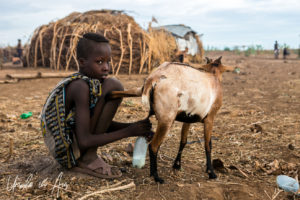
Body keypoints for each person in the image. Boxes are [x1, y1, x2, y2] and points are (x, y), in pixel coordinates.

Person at [41, 33, 153, 178]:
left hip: (75, 139)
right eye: (100, 62)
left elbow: (95, 122)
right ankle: (88, 158)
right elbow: (85, 139)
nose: (106, 67)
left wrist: (135, 127)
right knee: (114, 85)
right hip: (64, 150)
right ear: (82, 62)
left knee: (112, 85)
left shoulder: (90, 84)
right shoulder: (79, 86)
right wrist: (128, 132)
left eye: (108, 62)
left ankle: (87, 156)